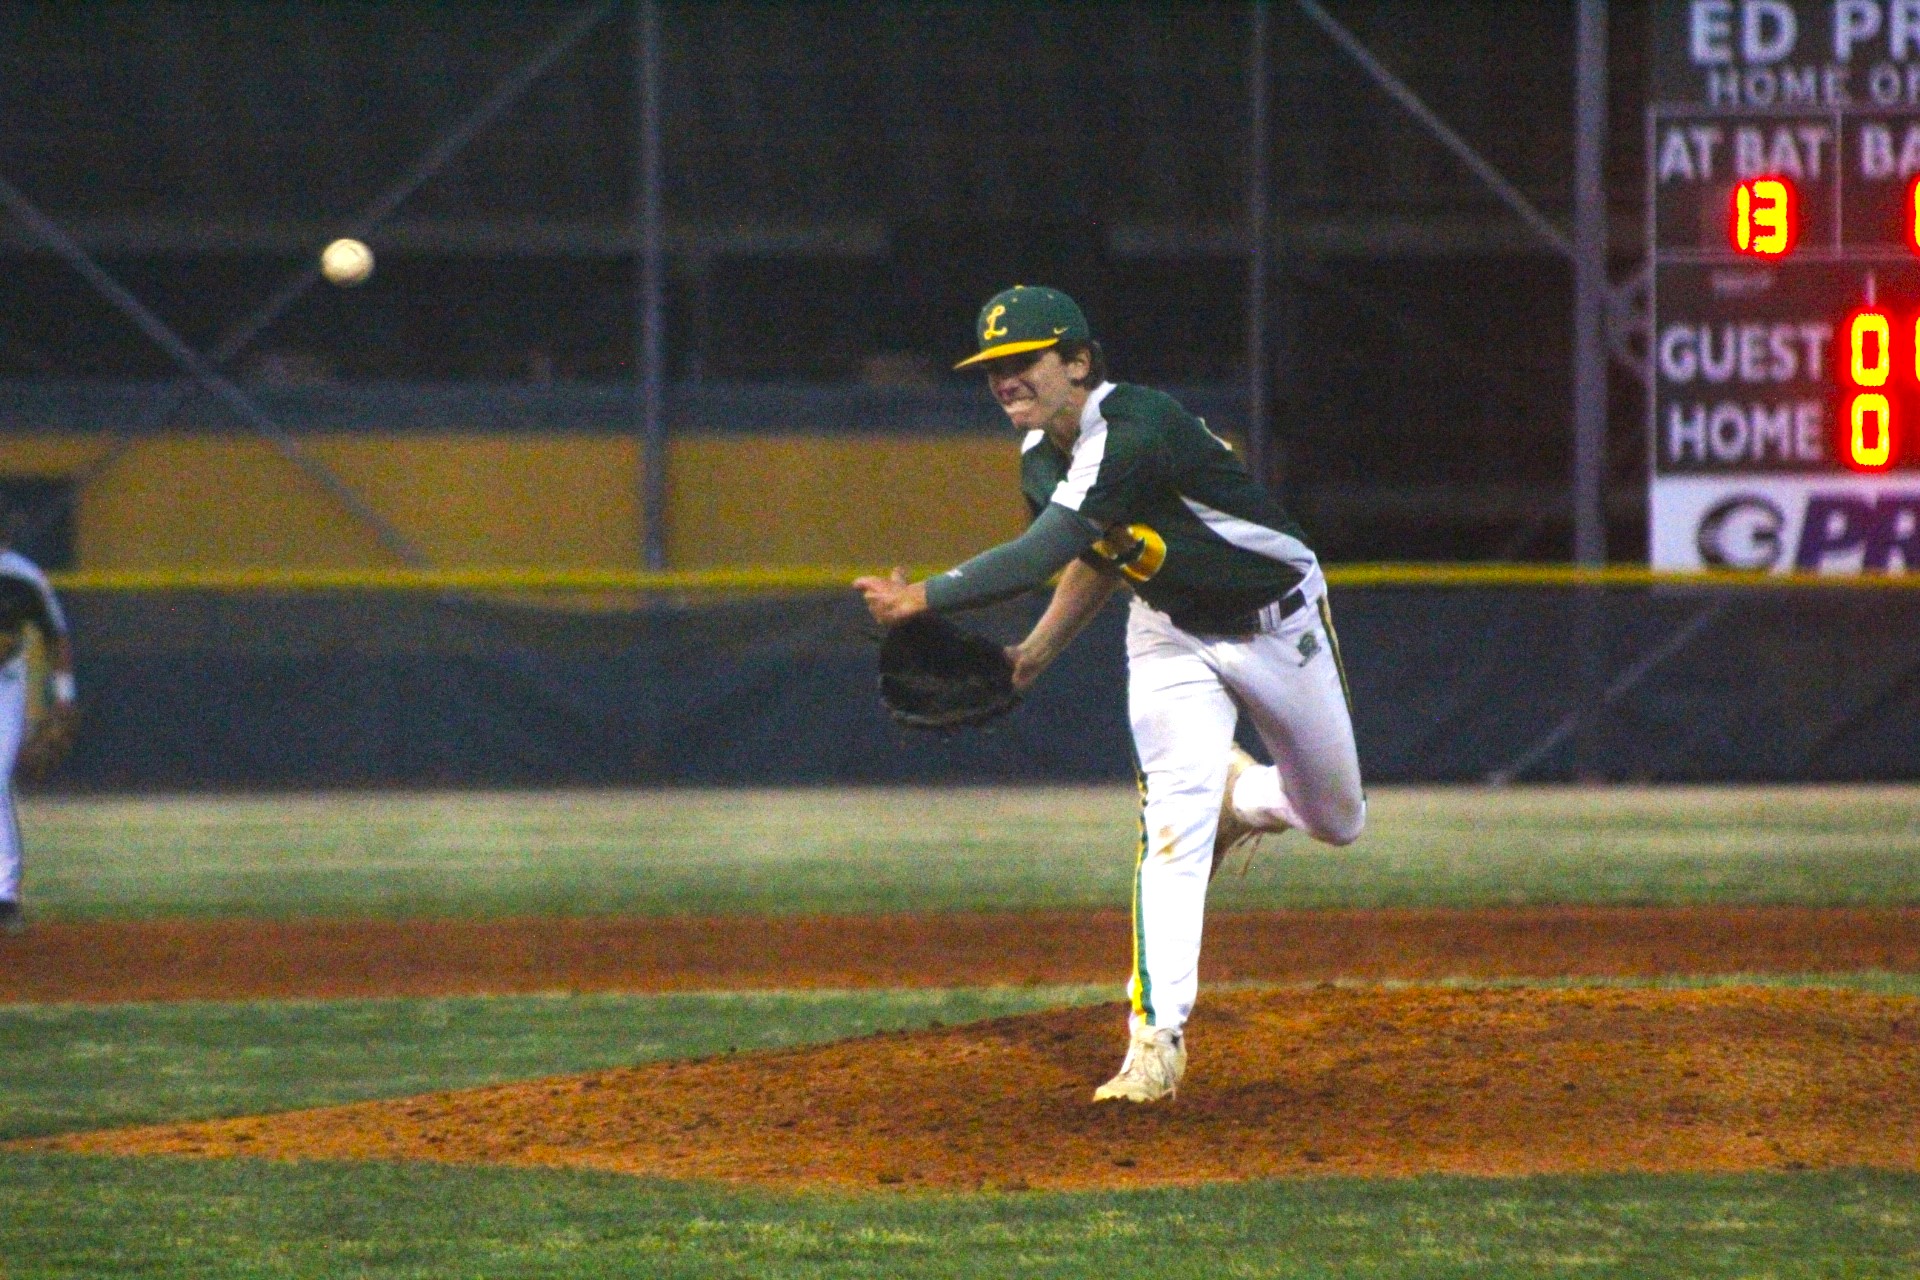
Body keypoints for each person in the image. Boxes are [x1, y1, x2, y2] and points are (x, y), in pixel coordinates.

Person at [856, 285, 1365, 1103]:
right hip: (1169, 632)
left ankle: (1242, 796)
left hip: (1278, 625)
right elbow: (1094, 558)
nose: (1003, 379)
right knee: (1171, 832)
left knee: (1338, 819)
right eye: (990, 367)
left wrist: (923, 597)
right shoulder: (1040, 456)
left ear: (1079, 361)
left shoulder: (1135, 428)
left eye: (1022, 360)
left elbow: (1041, 551)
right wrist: (1034, 654)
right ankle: (1154, 1045)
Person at [0, 511, 78, 935]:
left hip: (5, 685)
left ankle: (5, 896)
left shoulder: (24, 577)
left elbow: (55, 636)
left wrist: (64, 696)